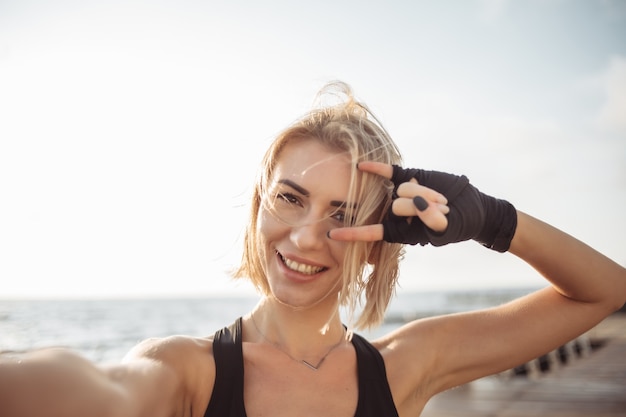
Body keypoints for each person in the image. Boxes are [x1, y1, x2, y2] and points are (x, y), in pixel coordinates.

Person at [1, 81, 624, 417]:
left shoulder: (408, 364)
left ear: (382, 245)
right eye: (291, 199)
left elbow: (605, 289)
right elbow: (89, 389)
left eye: (343, 215)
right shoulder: (184, 371)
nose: (305, 237)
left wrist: (491, 218)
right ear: (258, 206)